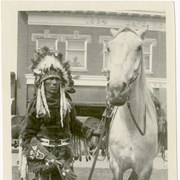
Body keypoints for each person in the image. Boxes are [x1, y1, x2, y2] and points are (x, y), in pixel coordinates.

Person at [19, 46, 100, 180]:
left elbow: (74, 125)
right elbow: (27, 137)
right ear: (43, 83)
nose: (54, 83)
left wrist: (92, 133)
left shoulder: (66, 103)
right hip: (43, 155)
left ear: (62, 83)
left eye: (57, 80)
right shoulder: (36, 104)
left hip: (64, 155)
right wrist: (47, 155)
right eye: (50, 80)